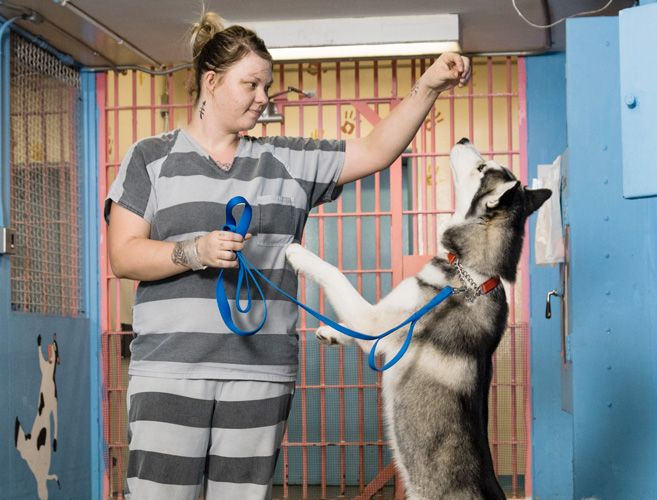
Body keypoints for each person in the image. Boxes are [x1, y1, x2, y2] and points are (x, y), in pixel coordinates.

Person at [106, 11, 471, 500]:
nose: (264, 99)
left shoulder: (287, 160)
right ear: (210, 83)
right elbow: (124, 255)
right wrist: (195, 250)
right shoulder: (150, 157)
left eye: (267, 86)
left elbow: (375, 151)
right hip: (170, 369)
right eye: (251, 85)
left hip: (260, 373)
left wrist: (429, 85)